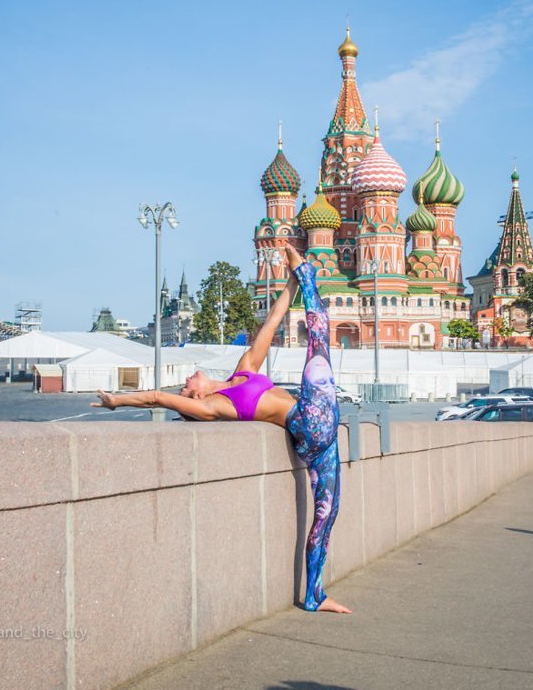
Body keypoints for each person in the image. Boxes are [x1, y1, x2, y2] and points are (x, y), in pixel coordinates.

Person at [92, 244, 351, 614]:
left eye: (184, 382)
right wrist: (117, 402)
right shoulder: (214, 407)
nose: (186, 379)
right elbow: (157, 399)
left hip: (319, 445)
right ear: (196, 396)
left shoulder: (246, 366)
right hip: (310, 419)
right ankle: (308, 272)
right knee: (320, 337)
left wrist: (289, 284)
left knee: (327, 515)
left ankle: (315, 596)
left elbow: (273, 321)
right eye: (186, 387)